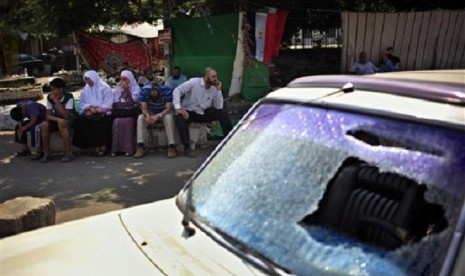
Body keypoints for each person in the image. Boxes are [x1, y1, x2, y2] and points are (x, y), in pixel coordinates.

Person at [173, 67, 233, 156]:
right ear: (206, 76)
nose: (215, 79)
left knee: (222, 113)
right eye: (213, 77)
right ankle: (187, 148)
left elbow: (218, 106)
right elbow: (177, 90)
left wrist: (218, 90)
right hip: (190, 111)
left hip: (203, 112)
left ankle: (229, 141)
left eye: (216, 77)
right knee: (180, 118)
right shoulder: (194, 82)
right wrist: (178, 108)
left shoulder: (214, 88)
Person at [72, 70, 114, 156]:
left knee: (101, 121)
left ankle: (103, 145)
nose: (87, 81)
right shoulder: (86, 89)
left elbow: (108, 103)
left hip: (104, 112)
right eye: (86, 79)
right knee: (81, 120)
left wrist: (97, 110)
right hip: (90, 111)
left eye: (89, 79)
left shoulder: (105, 88)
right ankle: (92, 145)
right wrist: (89, 108)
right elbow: (82, 103)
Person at [37, 77, 77, 163]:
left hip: (70, 119)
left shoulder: (68, 96)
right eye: (51, 89)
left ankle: (68, 153)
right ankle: (46, 153)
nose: (52, 92)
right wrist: (57, 119)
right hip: (57, 119)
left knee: (62, 124)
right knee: (44, 125)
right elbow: (48, 115)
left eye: (54, 89)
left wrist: (56, 102)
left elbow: (66, 115)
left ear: (61, 89)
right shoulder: (49, 98)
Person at [134, 83, 177, 158]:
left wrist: (158, 116)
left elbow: (168, 108)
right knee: (140, 118)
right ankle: (140, 146)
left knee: (169, 118)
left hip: (163, 111)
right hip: (150, 111)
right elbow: (143, 108)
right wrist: (147, 116)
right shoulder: (144, 90)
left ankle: (171, 145)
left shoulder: (167, 91)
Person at [110, 70, 140, 157]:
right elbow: (115, 103)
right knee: (116, 122)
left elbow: (134, 102)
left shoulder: (136, 88)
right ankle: (116, 149)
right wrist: (123, 104)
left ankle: (128, 149)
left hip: (131, 114)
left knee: (127, 122)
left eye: (125, 79)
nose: (122, 81)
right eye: (121, 79)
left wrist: (127, 90)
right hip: (121, 113)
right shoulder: (117, 89)